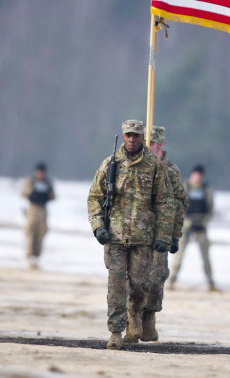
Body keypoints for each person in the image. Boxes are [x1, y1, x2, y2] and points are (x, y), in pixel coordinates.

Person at [87, 119, 173, 350]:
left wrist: (163, 236)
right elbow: (95, 197)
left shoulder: (154, 165)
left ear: (142, 137)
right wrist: (98, 226)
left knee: (138, 285)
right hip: (114, 237)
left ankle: (135, 317)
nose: (132, 139)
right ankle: (115, 331)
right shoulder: (111, 164)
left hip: (142, 238)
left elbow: (165, 202)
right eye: (128, 135)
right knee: (116, 286)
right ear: (123, 137)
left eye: (136, 135)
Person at [131, 125, 187, 343]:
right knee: (135, 279)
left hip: (159, 235)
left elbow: (180, 203)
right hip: (136, 232)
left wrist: (175, 234)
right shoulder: (136, 166)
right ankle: (132, 319)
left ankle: (149, 318)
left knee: (156, 278)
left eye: (153, 144)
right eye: (146, 144)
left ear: (161, 145)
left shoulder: (170, 170)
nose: (149, 148)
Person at [168, 164, 218, 291]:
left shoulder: (206, 189)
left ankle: (210, 282)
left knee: (206, 256)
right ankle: (172, 281)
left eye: (200, 176)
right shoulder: (185, 187)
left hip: (201, 226)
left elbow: (210, 208)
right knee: (178, 256)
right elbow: (178, 206)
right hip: (186, 226)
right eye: (196, 175)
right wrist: (185, 222)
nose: (197, 178)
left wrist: (204, 222)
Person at [20, 162, 55, 269]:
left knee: (41, 232)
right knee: (30, 232)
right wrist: (32, 191)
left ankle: (37, 255)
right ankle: (29, 255)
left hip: (43, 209)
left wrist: (46, 192)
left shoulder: (48, 182)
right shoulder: (31, 181)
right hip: (32, 208)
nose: (41, 174)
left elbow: (53, 196)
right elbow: (23, 193)